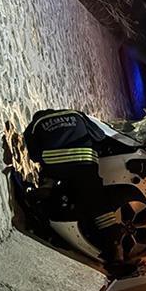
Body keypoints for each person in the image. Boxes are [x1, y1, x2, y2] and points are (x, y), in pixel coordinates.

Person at [23, 109, 119, 260]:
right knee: (98, 205)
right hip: (85, 164)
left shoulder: (35, 125)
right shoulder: (76, 114)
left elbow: (35, 155)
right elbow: (99, 136)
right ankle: (115, 248)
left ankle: (48, 187)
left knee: (50, 178)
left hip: (57, 168)